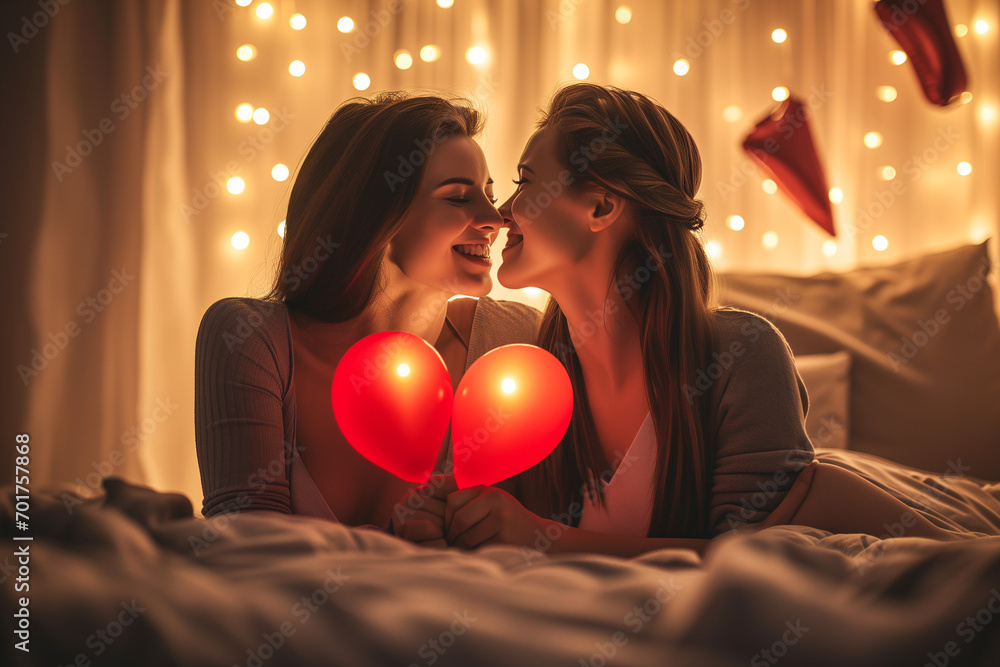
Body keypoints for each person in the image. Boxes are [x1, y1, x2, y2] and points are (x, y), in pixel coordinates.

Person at [411, 83, 974, 556]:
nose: (503, 212)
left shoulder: (741, 355)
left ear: (602, 207)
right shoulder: (526, 368)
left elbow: (743, 560)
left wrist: (545, 540)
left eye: (525, 180)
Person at [194, 92, 540, 541]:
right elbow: (243, 548)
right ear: (376, 216)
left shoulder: (515, 343)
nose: (494, 218)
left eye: (489, 196)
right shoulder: (250, 339)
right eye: (458, 197)